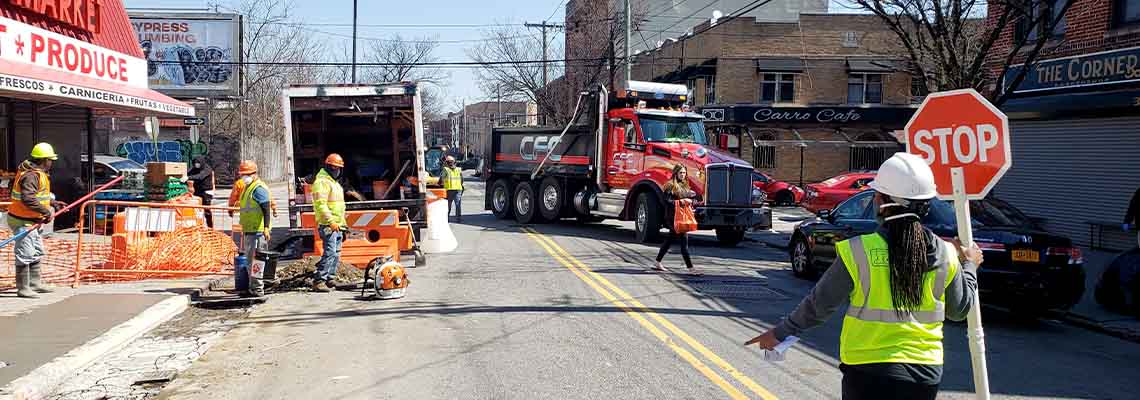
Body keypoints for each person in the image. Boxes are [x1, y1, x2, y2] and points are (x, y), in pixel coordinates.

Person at [744, 153, 984, 400]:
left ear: (880, 200)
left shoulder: (859, 250)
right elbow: (959, 310)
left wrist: (779, 333)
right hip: (924, 373)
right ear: (926, 204)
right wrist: (969, 266)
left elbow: (820, 305)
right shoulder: (946, 253)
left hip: (867, 371)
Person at [8, 143, 66, 298]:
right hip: (22, 221)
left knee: (36, 251)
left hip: (32, 220)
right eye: (50, 160)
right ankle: (23, 288)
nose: (51, 163)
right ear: (44, 160)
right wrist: (46, 211)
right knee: (25, 253)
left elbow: (38, 196)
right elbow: (28, 199)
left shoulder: (36, 173)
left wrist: (52, 203)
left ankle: (35, 283)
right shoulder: (31, 175)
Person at [654, 164, 702, 276]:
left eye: (684, 173)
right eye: (680, 173)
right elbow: (666, 201)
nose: (683, 175)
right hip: (673, 218)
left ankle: (657, 262)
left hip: (681, 216)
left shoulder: (684, 185)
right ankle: (691, 269)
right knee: (684, 243)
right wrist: (682, 201)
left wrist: (692, 201)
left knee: (669, 240)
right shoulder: (670, 185)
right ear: (675, 173)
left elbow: (687, 200)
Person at [311, 153, 347, 293]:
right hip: (328, 224)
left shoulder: (334, 182)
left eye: (338, 168)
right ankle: (319, 280)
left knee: (336, 252)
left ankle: (330, 277)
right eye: (334, 168)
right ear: (328, 167)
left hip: (337, 225)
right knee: (330, 252)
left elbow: (338, 206)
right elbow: (321, 205)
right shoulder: (322, 182)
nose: (336, 170)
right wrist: (331, 221)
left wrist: (343, 225)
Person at [237, 160, 272, 297]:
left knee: (256, 263)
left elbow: (266, 208)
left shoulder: (258, 188)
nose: (243, 177)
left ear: (254, 174)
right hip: (249, 231)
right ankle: (253, 288)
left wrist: (267, 227)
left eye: (246, 174)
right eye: (242, 174)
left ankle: (257, 289)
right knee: (251, 262)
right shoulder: (249, 187)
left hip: (258, 232)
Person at [187, 156, 215, 227]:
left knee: (207, 210)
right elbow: (189, 172)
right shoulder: (194, 168)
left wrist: (188, 177)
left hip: (206, 191)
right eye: (195, 163)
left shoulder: (207, 169)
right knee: (197, 210)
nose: (197, 164)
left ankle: (210, 227)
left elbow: (200, 176)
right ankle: (198, 226)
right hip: (197, 191)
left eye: (198, 163)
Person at [441, 155, 464, 222]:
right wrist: (460, 185)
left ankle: (446, 218)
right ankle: (458, 218)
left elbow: (441, 179)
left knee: (448, 205)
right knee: (458, 204)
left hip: (448, 190)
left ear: (447, 163)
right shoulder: (458, 169)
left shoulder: (445, 170)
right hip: (458, 189)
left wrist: (440, 184)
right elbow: (462, 179)